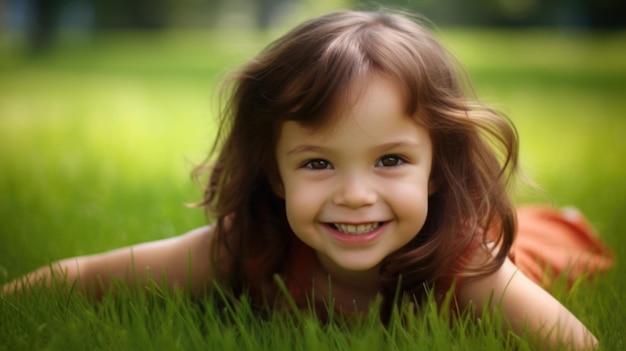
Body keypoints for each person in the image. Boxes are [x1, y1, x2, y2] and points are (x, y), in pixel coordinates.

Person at [2, 9, 612, 350]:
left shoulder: (468, 267)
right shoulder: (250, 246)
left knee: (544, 240)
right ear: (275, 172)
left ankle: (571, 223)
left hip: (539, 246)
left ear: (436, 170)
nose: (353, 193)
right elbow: (83, 277)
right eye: (318, 163)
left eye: (391, 161)